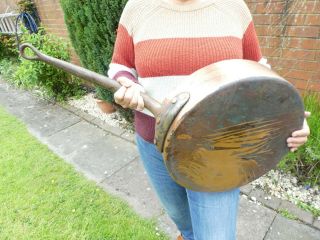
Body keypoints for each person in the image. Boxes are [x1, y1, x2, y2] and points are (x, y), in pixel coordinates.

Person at [108, 0, 311, 239]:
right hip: (155, 144)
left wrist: (290, 114)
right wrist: (126, 83)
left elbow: (257, 68)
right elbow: (120, 66)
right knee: (184, 223)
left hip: (221, 150)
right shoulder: (138, 7)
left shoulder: (233, 7)